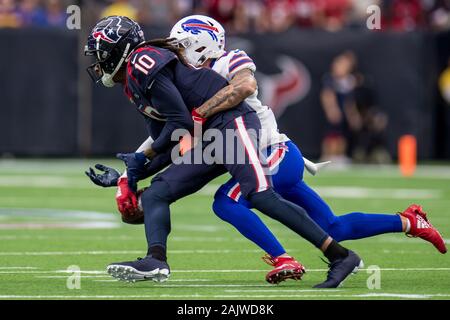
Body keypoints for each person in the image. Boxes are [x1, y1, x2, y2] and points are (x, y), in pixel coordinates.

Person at [85, 15, 363, 288]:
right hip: (210, 137)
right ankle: (156, 260)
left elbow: (181, 123)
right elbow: (169, 142)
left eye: (101, 54)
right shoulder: (135, 82)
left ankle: (340, 255)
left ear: (118, 50)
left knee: (260, 195)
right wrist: (130, 175)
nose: (97, 63)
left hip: (232, 122)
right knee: (158, 191)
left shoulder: (142, 62)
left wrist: (142, 159)